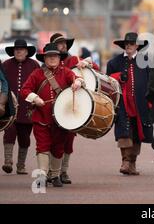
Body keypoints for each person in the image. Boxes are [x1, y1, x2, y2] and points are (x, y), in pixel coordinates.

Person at [20, 43, 83, 188]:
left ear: (59, 58)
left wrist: (78, 82)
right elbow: (25, 90)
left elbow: (78, 78)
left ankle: (54, 175)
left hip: (61, 119)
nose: (52, 58)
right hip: (41, 118)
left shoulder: (66, 72)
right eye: (49, 56)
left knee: (58, 147)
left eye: (55, 56)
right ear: (45, 58)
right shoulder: (37, 74)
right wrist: (35, 98)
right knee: (42, 146)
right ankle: (42, 176)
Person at [49, 33, 100, 184]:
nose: (63, 45)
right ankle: (52, 171)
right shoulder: (47, 63)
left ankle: (63, 172)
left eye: (65, 43)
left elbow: (95, 69)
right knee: (51, 140)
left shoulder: (73, 60)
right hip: (52, 106)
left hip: (71, 105)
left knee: (68, 141)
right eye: (60, 43)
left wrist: (88, 62)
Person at [107, 32, 152, 175]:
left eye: (131, 43)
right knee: (124, 132)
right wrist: (117, 77)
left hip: (140, 105)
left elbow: (152, 83)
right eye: (126, 44)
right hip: (122, 105)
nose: (128, 46)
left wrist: (152, 101)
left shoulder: (146, 62)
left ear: (137, 45)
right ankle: (125, 161)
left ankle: (132, 163)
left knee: (138, 134)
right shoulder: (114, 63)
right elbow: (108, 83)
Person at [1, 40, 40, 174]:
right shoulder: (6, 64)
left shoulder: (34, 65)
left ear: (27, 51)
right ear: (13, 51)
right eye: (16, 49)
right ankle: (7, 161)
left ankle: (21, 165)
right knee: (9, 133)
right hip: (9, 106)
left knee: (25, 137)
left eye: (22, 49)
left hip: (27, 107)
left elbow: (38, 85)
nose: (18, 51)